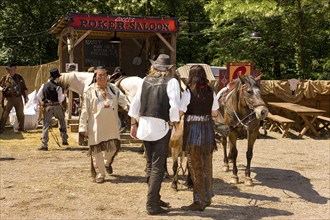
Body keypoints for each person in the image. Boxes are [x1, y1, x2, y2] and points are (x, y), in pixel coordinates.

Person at [128, 54, 180, 215]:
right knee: (158, 166)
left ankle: (155, 198)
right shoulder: (172, 82)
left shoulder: (144, 80)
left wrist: (133, 123)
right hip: (160, 126)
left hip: (144, 125)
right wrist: (173, 121)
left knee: (151, 165)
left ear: (154, 67)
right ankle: (151, 204)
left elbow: (135, 103)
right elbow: (174, 105)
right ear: (169, 69)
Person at [180, 65, 227, 211]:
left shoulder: (188, 91)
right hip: (207, 131)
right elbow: (214, 113)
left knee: (195, 166)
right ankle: (207, 197)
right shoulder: (210, 91)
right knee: (207, 165)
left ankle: (199, 201)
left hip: (193, 131)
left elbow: (181, 111)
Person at [79, 66, 129, 183]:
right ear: (95, 77)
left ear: (108, 76)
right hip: (96, 126)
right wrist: (83, 126)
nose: (102, 78)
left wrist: (129, 108)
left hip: (112, 125)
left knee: (113, 147)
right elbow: (84, 110)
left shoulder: (113, 89)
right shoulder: (89, 91)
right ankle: (100, 174)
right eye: (99, 76)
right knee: (96, 150)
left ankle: (107, 162)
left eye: (104, 75)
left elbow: (123, 100)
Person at [37, 68, 68, 151]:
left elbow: (38, 96)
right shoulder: (58, 87)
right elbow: (61, 99)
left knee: (46, 125)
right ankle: (64, 139)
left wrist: (43, 103)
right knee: (62, 120)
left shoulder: (44, 85)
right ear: (57, 78)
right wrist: (64, 94)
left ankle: (44, 144)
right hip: (57, 106)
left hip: (48, 107)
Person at [0, 64, 29, 133]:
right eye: (10, 70)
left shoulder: (19, 77)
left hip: (18, 98)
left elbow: (24, 88)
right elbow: (0, 86)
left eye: (13, 69)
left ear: (15, 70)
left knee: (20, 114)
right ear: (8, 70)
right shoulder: (4, 78)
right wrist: (2, 89)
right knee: (5, 113)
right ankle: (1, 128)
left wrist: (26, 97)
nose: (11, 71)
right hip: (8, 98)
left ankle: (21, 128)